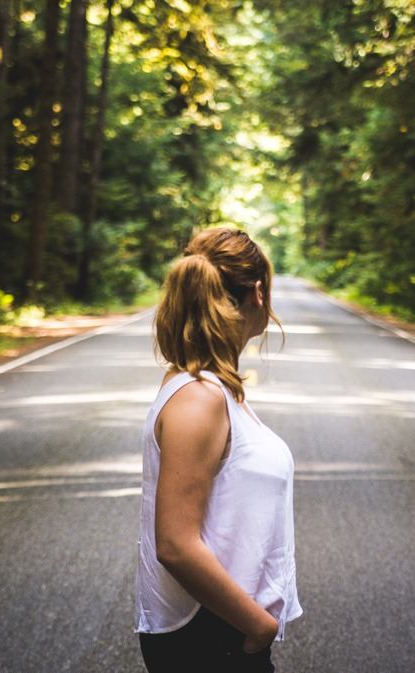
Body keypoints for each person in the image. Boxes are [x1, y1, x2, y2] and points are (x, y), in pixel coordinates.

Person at [134, 226, 303, 673]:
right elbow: (175, 544)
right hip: (210, 639)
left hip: (220, 631)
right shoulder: (199, 397)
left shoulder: (211, 387)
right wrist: (258, 628)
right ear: (259, 294)